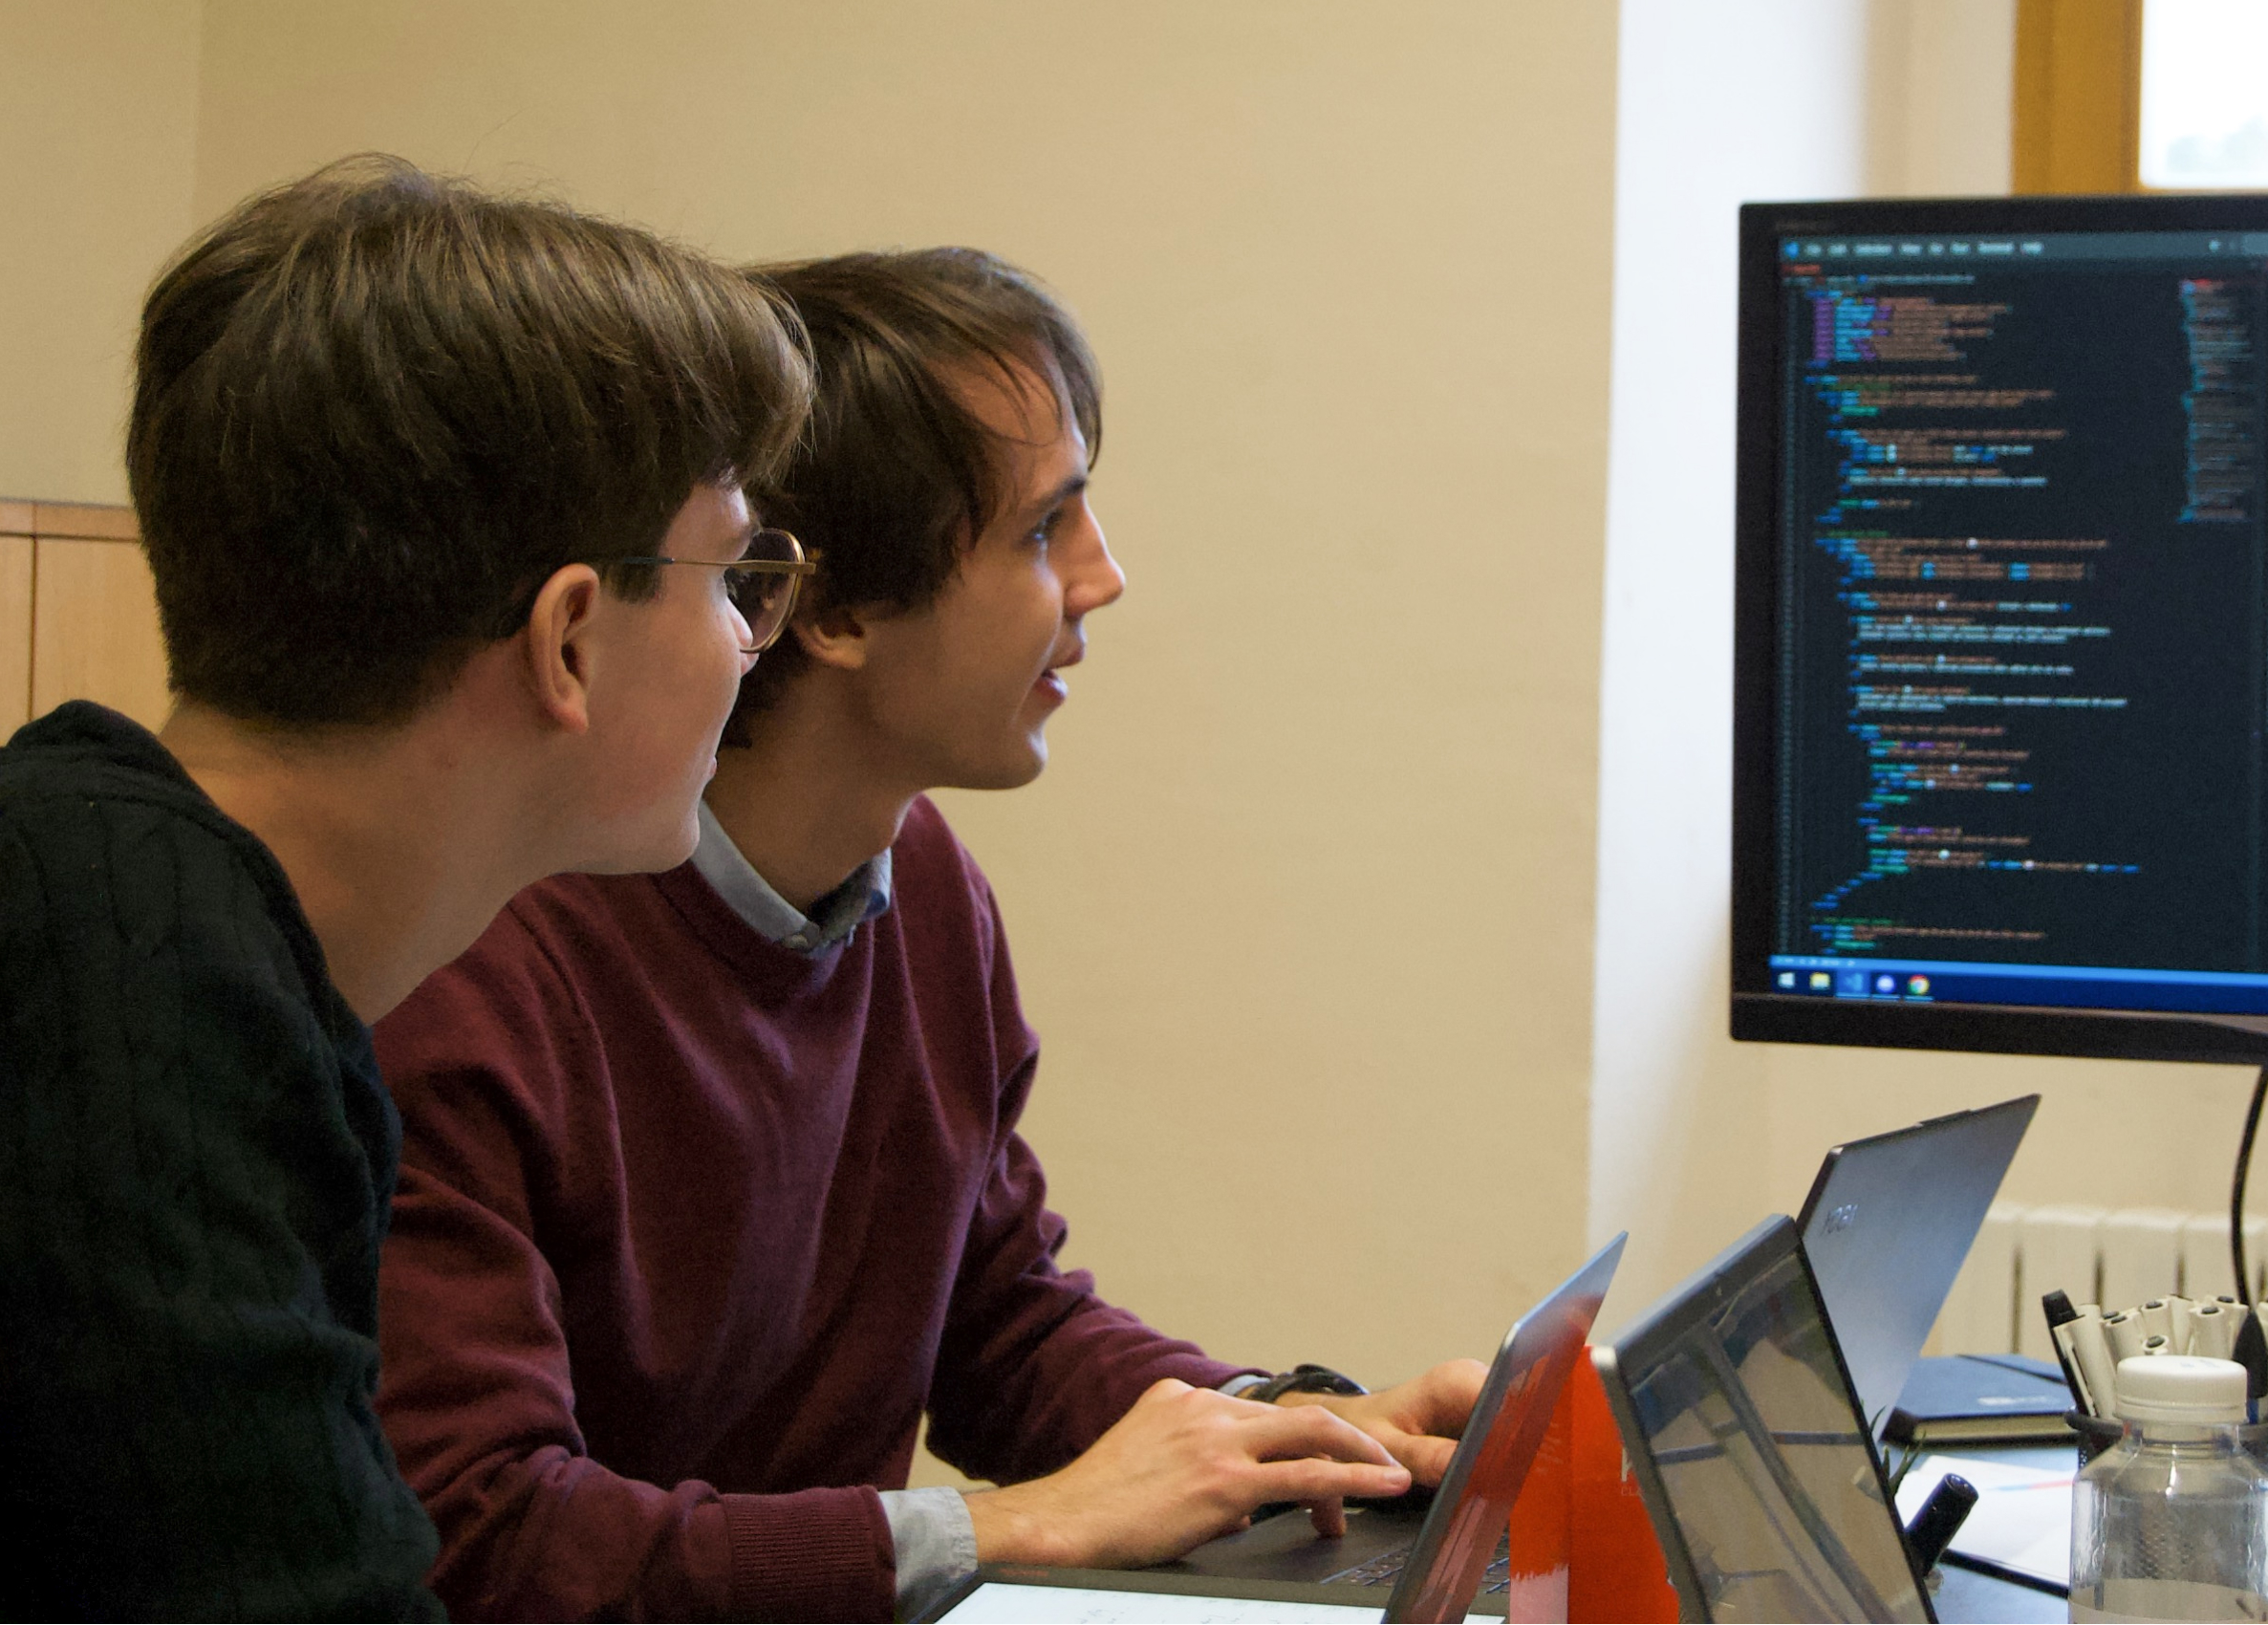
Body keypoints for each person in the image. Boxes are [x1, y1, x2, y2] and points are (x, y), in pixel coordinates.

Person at [371, 247, 1480, 1623]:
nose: (1103, 576)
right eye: (1040, 529)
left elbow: (996, 1316)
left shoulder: (924, 880)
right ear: (824, 608)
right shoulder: (479, 965)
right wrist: (1003, 1523)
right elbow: (488, 1540)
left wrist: (1297, 1431)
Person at [0, 156, 813, 1619]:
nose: (752, 640)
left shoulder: (164, 917)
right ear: (570, 636)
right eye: (731, 575)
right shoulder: (128, 978)